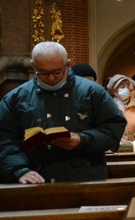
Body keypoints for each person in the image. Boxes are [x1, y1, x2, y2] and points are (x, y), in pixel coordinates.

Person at [0, 41, 126, 184]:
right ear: (33, 66)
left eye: (56, 72)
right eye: (43, 73)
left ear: (68, 65)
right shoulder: (16, 97)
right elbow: (5, 139)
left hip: (85, 178)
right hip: (37, 178)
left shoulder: (92, 92)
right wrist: (20, 169)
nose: (51, 78)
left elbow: (114, 128)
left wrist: (82, 139)